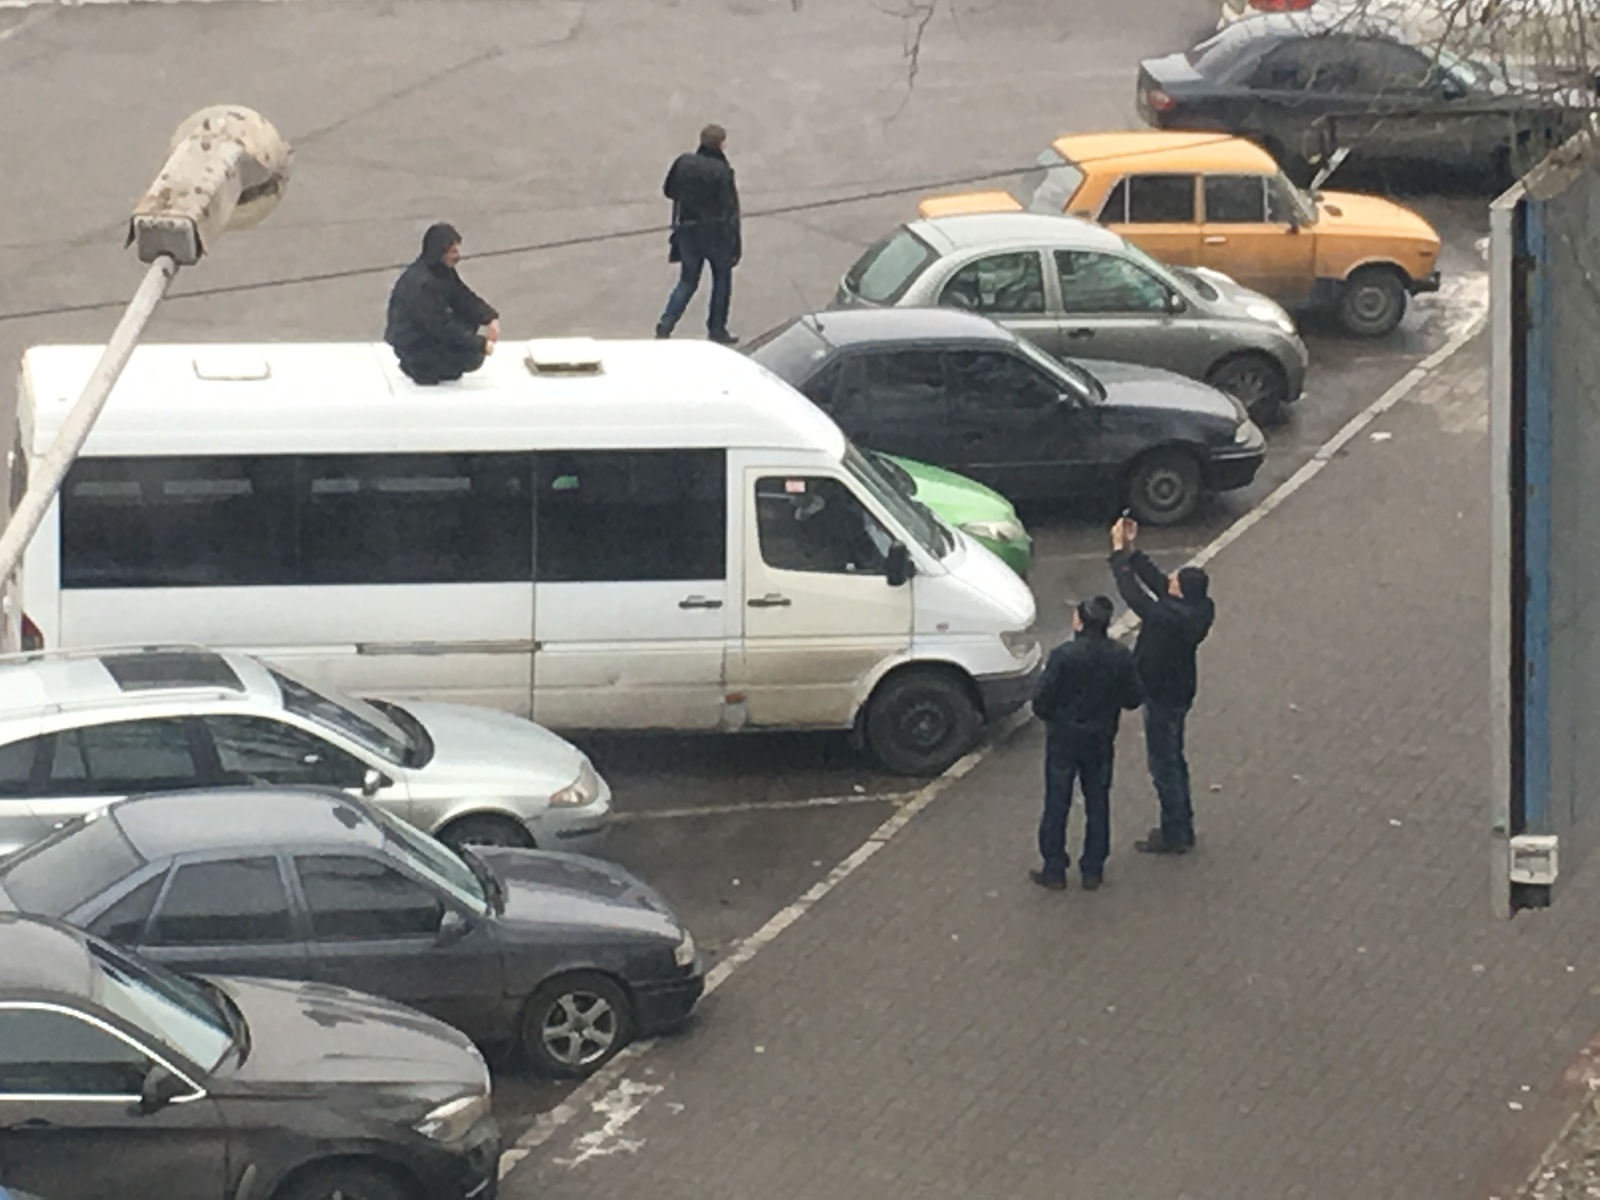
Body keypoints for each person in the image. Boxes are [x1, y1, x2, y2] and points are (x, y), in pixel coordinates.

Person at [1109, 516, 1215, 855]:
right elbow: (1157, 584)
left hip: (1161, 695)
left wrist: (1117, 555)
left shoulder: (1168, 618)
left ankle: (1174, 833)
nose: (1170, 579)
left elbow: (1135, 596)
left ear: (1180, 593)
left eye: (1175, 581)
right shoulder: (1198, 609)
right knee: (1175, 758)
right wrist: (1132, 550)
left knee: (1163, 764)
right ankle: (1183, 823)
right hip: (1181, 691)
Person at [1029, 594, 1143, 892]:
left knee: (1057, 802)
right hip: (1101, 738)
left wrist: (1054, 717)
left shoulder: (1064, 656)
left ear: (1080, 621)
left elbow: (1041, 700)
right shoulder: (1119, 655)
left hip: (1064, 739)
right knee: (1098, 801)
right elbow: (1133, 698)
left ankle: (1054, 867)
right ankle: (1093, 868)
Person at [655, 123, 742, 345]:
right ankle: (717, 329)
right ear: (721, 145)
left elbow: (669, 190)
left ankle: (666, 324)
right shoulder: (723, 172)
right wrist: (736, 246)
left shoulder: (684, 163)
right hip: (717, 237)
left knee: (687, 281)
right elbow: (731, 211)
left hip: (689, 232)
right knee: (721, 282)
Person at [385, 223, 500, 385]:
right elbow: (440, 326)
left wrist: (489, 317)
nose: (457, 256)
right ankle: (422, 368)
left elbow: (462, 297)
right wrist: (479, 343)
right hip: (415, 346)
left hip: (427, 335)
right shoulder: (421, 285)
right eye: (453, 251)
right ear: (439, 252)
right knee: (472, 357)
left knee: (471, 349)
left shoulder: (441, 272)